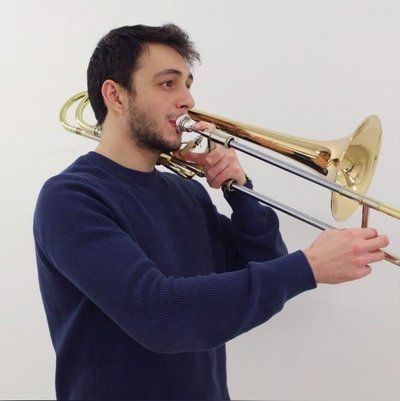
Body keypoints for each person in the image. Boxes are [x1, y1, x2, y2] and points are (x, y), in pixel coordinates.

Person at [33, 23, 389, 400]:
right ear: (115, 95)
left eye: (188, 84)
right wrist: (310, 266)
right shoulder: (71, 198)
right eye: (167, 83)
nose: (188, 99)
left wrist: (241, 191)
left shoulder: (187, 194)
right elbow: (157, 314)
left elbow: (266, 265)